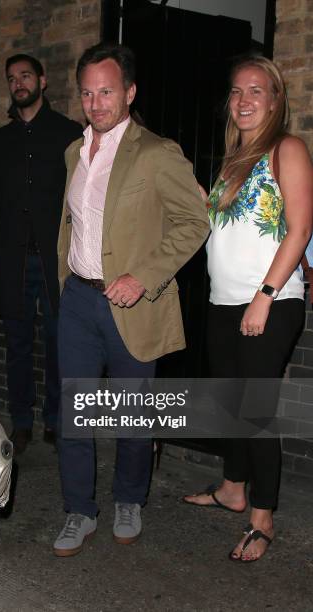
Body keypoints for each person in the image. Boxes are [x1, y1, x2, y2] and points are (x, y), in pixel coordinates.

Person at [53, 42, 209, 557]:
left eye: (107, 91)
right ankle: (78, 509)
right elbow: (71, 224)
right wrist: (65, 283)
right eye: (87, 93)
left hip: (131, 305)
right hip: (78, 300)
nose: (96, 103)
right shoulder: (74, 152)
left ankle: (128, 499)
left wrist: (144, 276)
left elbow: (195, 221)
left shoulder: (155, 152)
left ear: (129, 92)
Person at [183, 56, 313, 562]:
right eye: (236, 91)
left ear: (276, 100)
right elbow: (221, 228)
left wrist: (265, 296)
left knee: (256, 414)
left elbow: (299, 228)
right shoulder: (234, 161)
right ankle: (233, 488)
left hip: (270, 301)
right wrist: (197, 196)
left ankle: (263, 519)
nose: (243, 100)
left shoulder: (288, 149)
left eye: (256, 91)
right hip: (222, 302)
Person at [0, 54, 83, 454]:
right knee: (16, 345)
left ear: (42, 80)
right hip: (9, 261)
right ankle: (21, 421)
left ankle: (54, 420)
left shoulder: (71, 134)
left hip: (57, 262)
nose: (18, 83)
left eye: (25, 76)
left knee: (58, 343)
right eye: (12, 78)